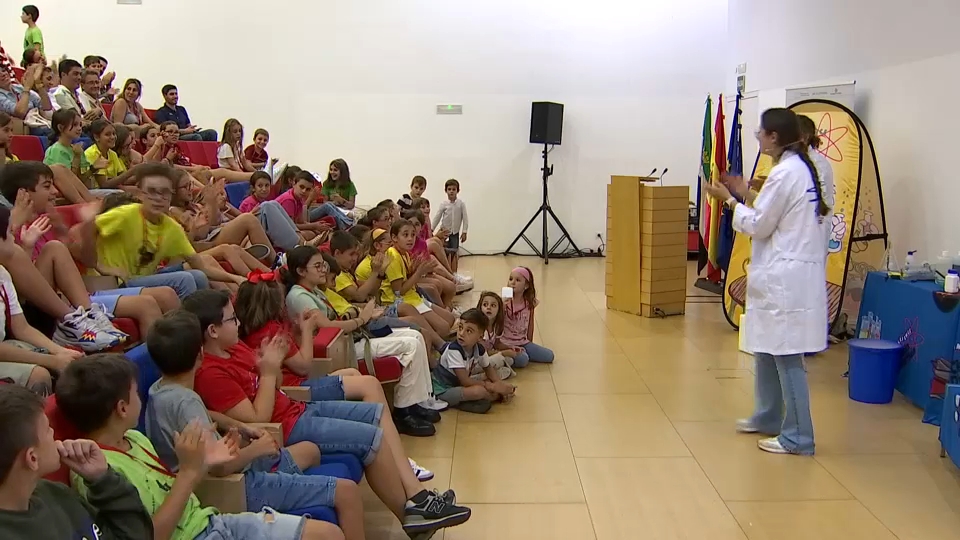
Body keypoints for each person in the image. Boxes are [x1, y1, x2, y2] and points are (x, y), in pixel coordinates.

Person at [182, 288, 472, 537]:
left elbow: (278, 382)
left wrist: (272, 367)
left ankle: (416, 502)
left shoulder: (234, 350)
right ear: (212, 330)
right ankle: (414, 509)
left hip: (297, 408)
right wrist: (269, 371)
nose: (239, 322)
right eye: (232, 319)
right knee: (373, 437)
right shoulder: (210, 372)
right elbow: (258, 419)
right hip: (288, 425)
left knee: (374, 412)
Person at [55, 353, 348, 540]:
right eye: (134, 393)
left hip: (210, 522)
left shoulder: (134, 439)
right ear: (121, 408)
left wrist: (204, 459)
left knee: (329, 534)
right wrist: (191, 471)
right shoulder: (93, 472)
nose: (140, 399)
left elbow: (167, 489)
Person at [145, 310, 368, 540]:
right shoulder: (186, 401)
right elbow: (219, 467)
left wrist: (238, 426)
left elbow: (203, 422)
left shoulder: (160, 390)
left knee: (310, 450)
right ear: (200, 355)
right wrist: (255, 450)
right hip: (234, 484)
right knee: (346, 491)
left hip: (230, 469)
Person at [701, 107, 828, 456]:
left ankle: (799, 437)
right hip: (782, 275)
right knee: (767, 349)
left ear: (774, 137)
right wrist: (745, 193)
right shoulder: (794, 168)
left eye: (761, 132)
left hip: (787, 278)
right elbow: (775, 213)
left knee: (786, 356)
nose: (757, 136)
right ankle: (770, 415)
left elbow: (759, 225)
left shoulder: (787, 172)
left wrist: (728, 201)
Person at [3, 160, 178, 342]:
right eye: (47, 186)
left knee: (167, 293)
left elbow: (84, 260)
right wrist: (26, 242)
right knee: (148, 303)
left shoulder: (48, 220)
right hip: (40, 307)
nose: (55, 192)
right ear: (23, 192)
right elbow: (17, 286)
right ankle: (83, 318)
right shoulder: (9, 227)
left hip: (79, 293)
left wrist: (74, 229)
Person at [282, 246, 442, 430]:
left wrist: (361, 315)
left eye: (323, 265)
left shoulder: (314, 290)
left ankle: (416, 403)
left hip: (345, 340)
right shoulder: (299, 296)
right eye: (317, 266)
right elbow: (328, 326)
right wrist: (362, 319)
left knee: (416, 335)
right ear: (301, 271)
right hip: (338, 350)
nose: (323, 270)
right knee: (411, 345)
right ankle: (403, 412)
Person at [0, 384, 154, 540]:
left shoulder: (56, 494)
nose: (53, 432)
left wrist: (102, 479)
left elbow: (136, 535)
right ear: (32, 458)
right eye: (48, 429)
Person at [79, 162, 244, 298]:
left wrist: (234, 278)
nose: (158, 199)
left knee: (198, 276)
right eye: (152, 192)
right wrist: (100, 266)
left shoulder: (171, 227)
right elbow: (77, 234)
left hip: (142, 278)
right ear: (141, 194)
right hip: (116, 282)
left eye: (164, 193)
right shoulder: (126, 214)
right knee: (184, 280)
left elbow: (200, 266)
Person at [0, 207, 84, 396]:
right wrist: (52, 361)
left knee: (73, 359)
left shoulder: (2, 274)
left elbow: (22, 328)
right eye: (8, 234)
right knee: (39, 375)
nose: (13, 239)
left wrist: (59, 352)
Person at [329, 231, 447, 352]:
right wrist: (376, 272)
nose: (354, 258)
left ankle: (440, 347)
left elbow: (371, 293)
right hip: (369, 317)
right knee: (424, 328)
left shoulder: (347, 271)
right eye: (351, 254)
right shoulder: (338, 275)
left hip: (373, 308)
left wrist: (380, 274)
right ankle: (440, 352)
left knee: (419, 312)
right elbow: (360, 296)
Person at [432, 309, 515, 413]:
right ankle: (464, 402)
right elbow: (465, 381)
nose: (461, 333)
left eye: (469, 331)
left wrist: (500, 384)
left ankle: (479, 400)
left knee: (492, 385)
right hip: (442, 390)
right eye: (460, 327)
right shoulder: (454, 350)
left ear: (480, 337)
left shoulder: (479, 349)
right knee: (478, 391)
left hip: (458, 386)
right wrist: (493, 387)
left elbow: (488, 369)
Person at [385, 220, 456, 336]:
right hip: (403, 301)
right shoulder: (393, 255)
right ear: (394, 237)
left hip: (413, 296)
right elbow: (399, 292)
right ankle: (433, 340)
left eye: (413, 235)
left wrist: (417, 269)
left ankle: (433, 333)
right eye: (405, 234)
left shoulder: (405, 253)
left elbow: (408, 278)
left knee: (450, 319)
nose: (410, 239)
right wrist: (419, 273)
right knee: (444, 328)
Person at [43, 109, 118, 201]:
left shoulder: (77, 149)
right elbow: (67, 182)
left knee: (118, 195)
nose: (79, 128)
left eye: (80, 125)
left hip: (81, 191)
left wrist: (93, 168)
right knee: (116, 196)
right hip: (62, 194)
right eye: (74, 125)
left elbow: (82, 181)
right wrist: (77, 157)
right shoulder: (56, 150)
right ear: (61, 128)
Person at [501, 266, 553, 366]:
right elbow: (496, 324)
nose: (512, 282)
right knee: (523, 360)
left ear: (526, 286)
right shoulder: (503, 302)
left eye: (518, 280)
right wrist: (502, 308)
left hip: (523, 342)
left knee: (549, 356)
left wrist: (530, 342)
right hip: (505, 343)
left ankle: (520, 353)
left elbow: (530, 324)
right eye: (511, 279)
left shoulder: (530, 303)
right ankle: (505, 355)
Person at [0, 63, 52, 138]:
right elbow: (20, 112)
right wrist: (27, 87)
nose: (3, 74)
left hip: (39, 124)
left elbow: (46, 107)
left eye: (4, 71)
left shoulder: (18, 88)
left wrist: (38, 84)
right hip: (22, 131)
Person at [276, 172, 333, 240]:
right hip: (278, 231)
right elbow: (290, 226)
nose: (304, 191)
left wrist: (317, 226)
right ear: (294, 184)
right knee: (308, 234)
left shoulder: (299, 198)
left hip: (289, 228)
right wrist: (313, 226)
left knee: (317, 231)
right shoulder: (289, 200)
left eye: (307, 189)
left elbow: (300, 222)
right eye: (301, 187)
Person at [83, 119, 135, 191]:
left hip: (110, 189)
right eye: (108, 134)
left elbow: (124, 179)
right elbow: (104, 185)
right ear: (97, 137)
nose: (113, 137)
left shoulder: (112, 154)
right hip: (95, 191)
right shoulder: (92, 153)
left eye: (114, 134)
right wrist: (132, 171)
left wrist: (140, 174)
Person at [432, 179, 468, 272]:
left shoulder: (461, 204)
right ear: (446, 190)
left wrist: (464, 232)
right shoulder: (444, 204)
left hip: (455, 233)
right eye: (449, 189)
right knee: (443, 252)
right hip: (444, 233)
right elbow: (438, 216)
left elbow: (465, 218)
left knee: (454, 252)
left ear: (457, 190)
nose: (451, 191)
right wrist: (431, 229)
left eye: (454, 189)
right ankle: (445, 271)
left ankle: (454, 272)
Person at [50, 59, 96, 128]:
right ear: (63, 75)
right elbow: (74, 119)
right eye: (75, 74)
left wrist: (98, 112)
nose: (79, 77)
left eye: (80, 74)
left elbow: (90, 118)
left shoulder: (82, 96)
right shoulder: (59, 94)